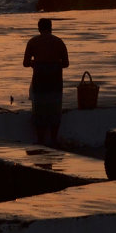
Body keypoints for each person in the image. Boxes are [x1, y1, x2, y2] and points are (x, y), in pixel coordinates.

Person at [23, 18, 70, 146]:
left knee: (39, 110)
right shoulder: (59, 42)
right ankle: (54, 139)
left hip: (39, 79)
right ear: (51, 28)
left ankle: (40, 140)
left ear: (39, 28)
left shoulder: (33, 42)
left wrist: (36, 63)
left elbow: (25, 63)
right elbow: (66, 64)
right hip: (55, 80)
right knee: (54, 110)